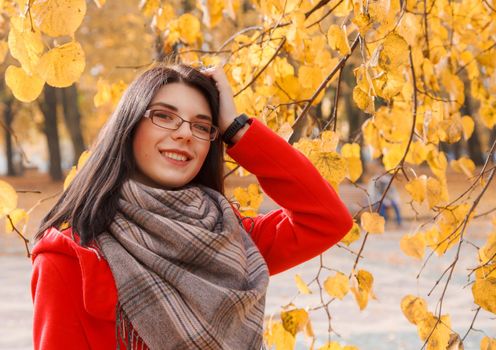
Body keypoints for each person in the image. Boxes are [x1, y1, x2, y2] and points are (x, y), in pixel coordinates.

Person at [30, 63, 353, 350]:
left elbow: (326, 217)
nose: (185, 133)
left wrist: (236, 127)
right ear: (129, 127)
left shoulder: (230, 239)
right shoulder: (72, 258)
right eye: (164, 116)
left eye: (201, 126)